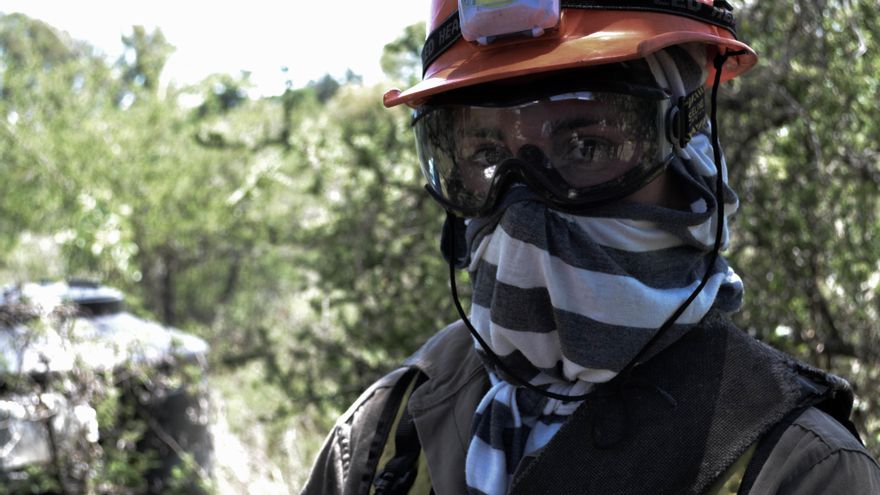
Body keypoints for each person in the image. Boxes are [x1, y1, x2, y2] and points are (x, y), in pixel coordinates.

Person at [303, 1, 880, 493]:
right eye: (486, 155)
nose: (524, 209)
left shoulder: (798, 469)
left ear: (691, 153)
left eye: (588, 146)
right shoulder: (387, 434)